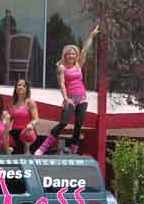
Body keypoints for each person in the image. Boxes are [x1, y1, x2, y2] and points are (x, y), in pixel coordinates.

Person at [36, 25, 100, 156]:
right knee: (64, 123)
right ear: (65, 55)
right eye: (69, 53)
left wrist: (91, 35)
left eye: (73, 53)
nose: (71, 55)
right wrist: (65, 98)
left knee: (78, 125)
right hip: (70, 98)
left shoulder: (78, 65)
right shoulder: (61, 67)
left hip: (82, 98)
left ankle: (73, 150)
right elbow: (62, 84)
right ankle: (44, 147)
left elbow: (85, 50)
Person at [8, 78, 39, 154]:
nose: (21, 87)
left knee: (22, 151)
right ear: (15, 88)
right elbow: (9, 119)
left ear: (26, 89)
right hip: (15, 131)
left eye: (23, 86)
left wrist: (31, 124)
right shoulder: (12, 103)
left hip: (26, 131)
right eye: (19, 85)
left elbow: (36, 119)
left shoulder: (30, 102)